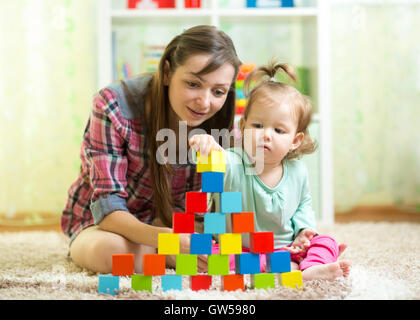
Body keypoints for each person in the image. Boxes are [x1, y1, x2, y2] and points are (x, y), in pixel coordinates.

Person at [62, 25, 242, 274]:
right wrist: (167, 241)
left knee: (237, 243)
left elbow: (230, 202)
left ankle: (169, 255)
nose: (204, 102)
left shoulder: (222, 123)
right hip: (111, 225)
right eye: (193, 84)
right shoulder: (113, 105)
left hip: (176, 223)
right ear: (167, 72)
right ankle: (169, 257)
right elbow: (108, 206)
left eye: (218, 91)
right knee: (107, 252)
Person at [189, 60, 351, 281]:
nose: (266, 134)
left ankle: (310, 268)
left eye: (278, 130)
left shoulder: (297, 171)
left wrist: (304, 232)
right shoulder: (234, 162)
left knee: (326, 242)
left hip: (284, 247)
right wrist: (206, 143)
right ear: (243, 127)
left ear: (295, 140)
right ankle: (289, 269)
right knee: (206, 253)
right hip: (239, 248)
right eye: (258, 126)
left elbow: (303, 205)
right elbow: (218, 160)